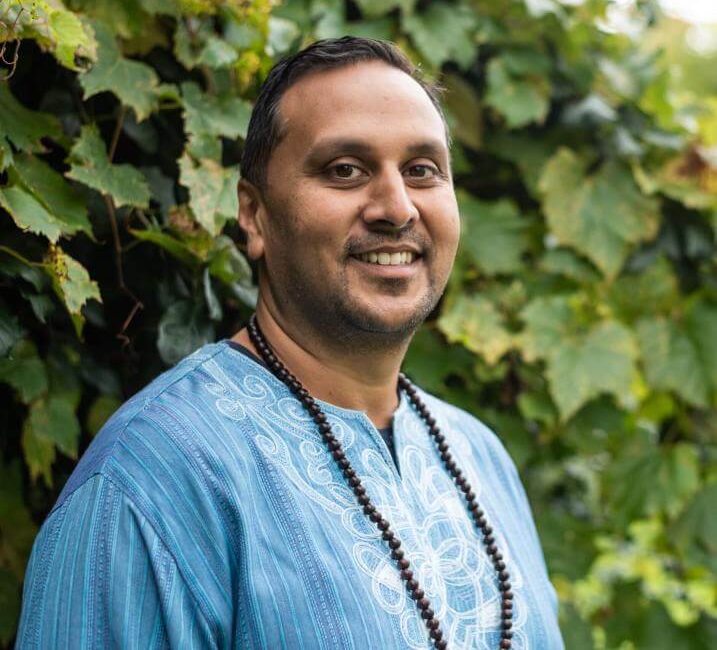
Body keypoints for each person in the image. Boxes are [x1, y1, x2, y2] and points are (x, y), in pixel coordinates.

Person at [15, 38, 564, 650]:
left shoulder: (480, 459)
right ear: (254, 215)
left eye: (422, 170)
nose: (396, 207)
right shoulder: (153, 478)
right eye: (345, 170)